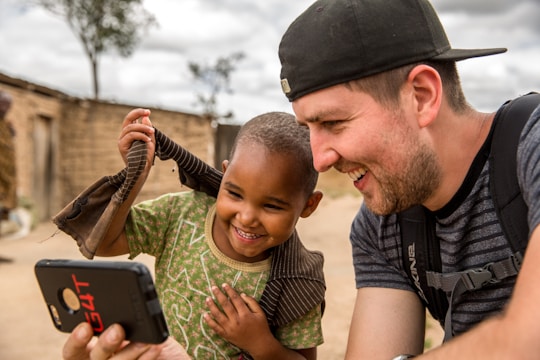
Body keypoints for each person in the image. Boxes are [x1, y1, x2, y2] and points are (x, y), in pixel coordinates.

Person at [277, 0, 540, 359]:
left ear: (422, 96)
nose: (320, 160)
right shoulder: (381, 227)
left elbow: (528, 340)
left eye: (333, 123)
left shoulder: (533, 145)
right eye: (308, 129)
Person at [63, 108, 325, 360]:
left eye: (271, 206)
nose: (246, 217)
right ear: (224, 174)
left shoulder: (299, 282)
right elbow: (105, 244)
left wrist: (261, 345)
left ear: (308, 205)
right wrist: (135, 177)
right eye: (234, 194)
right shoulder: (181, 214)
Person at [0, 90, 18, 242]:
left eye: (8, 105)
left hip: (6, 181)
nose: (6, 108)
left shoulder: (6, 125)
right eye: (3, 104)